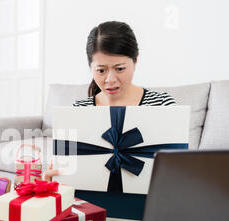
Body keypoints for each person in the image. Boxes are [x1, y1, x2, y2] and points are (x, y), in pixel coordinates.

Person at [44, 20, 176, 181]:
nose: (110, 79)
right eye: (101, 70)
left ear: (136, 61)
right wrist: (52, 180)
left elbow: (177, 172)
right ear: (90, 68)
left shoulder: (164, 106)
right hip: (88, 203)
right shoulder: (77, 112)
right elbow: (67, 174)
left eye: (120, 69)